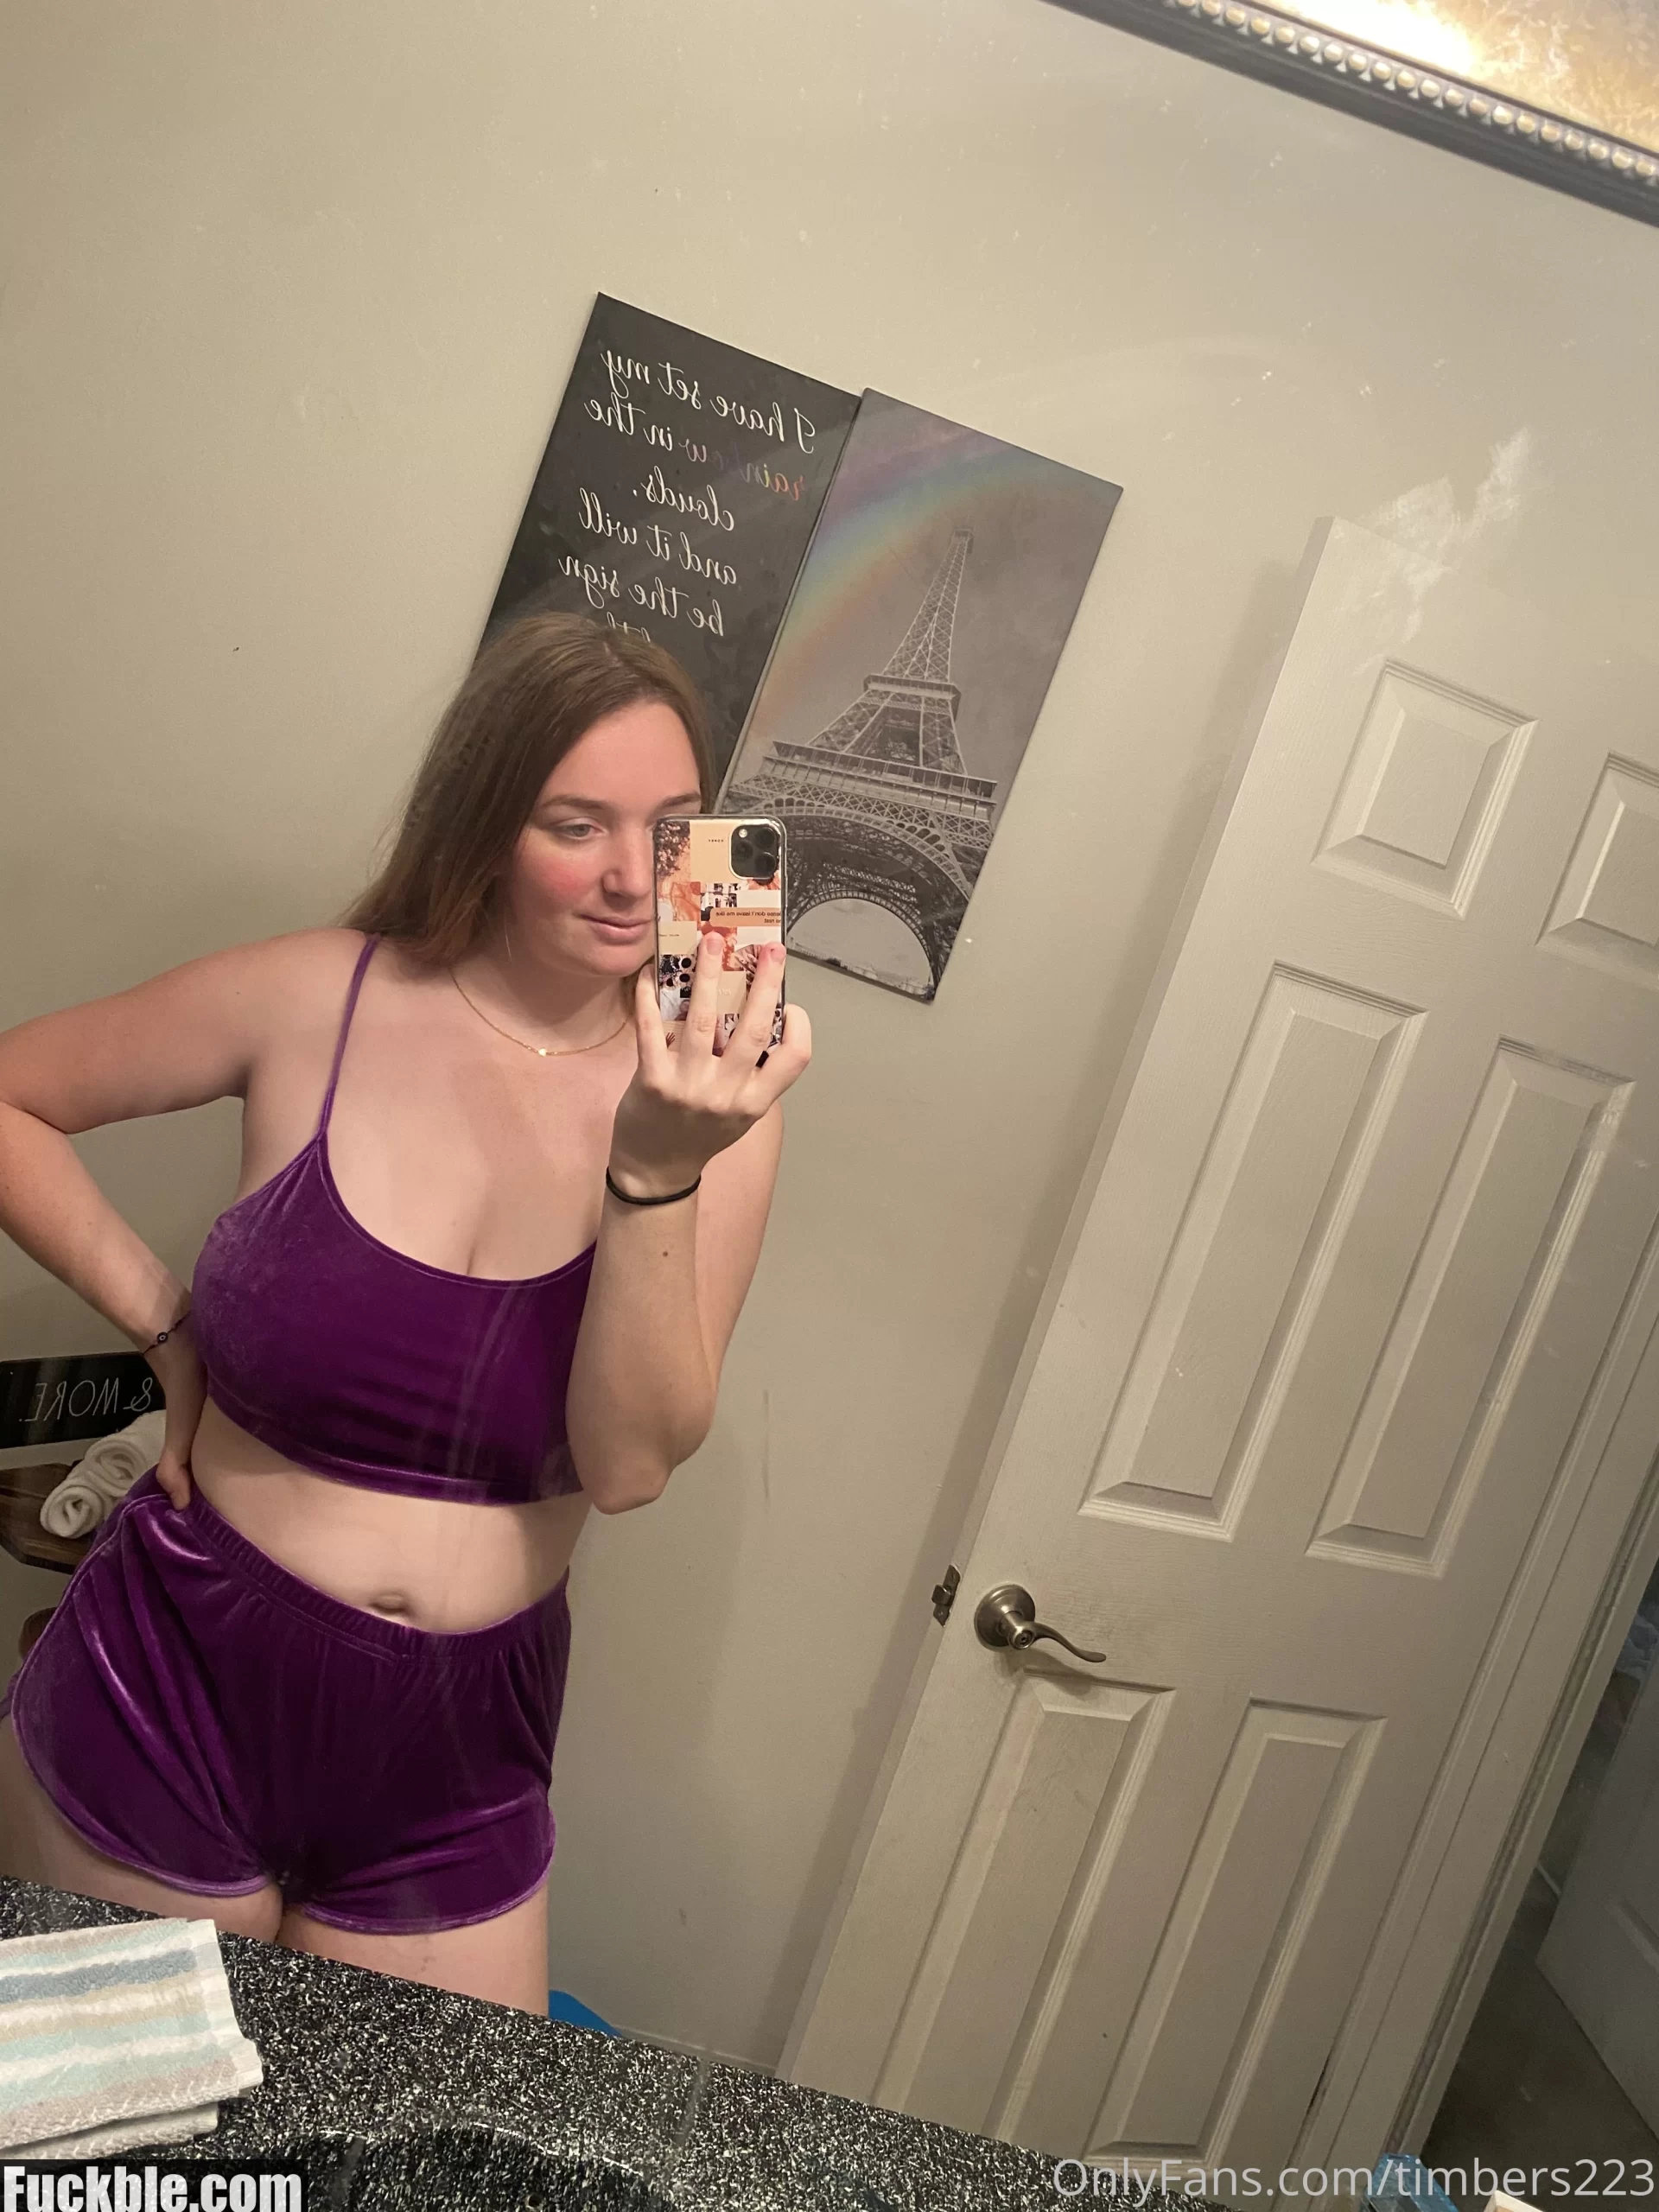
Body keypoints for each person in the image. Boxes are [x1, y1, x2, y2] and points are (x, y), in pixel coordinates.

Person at [0, 613, 811, 2011]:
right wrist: (165, 1326)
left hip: (458, 1755)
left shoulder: (715, 1097)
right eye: (576, 825)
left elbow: (628, 1467)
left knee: (411, 2131)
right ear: (486, 822)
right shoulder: (310, 995)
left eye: (672, 827)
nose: (634, 878)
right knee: (128, 2121)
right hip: (174, 1679)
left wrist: (657, 1168)